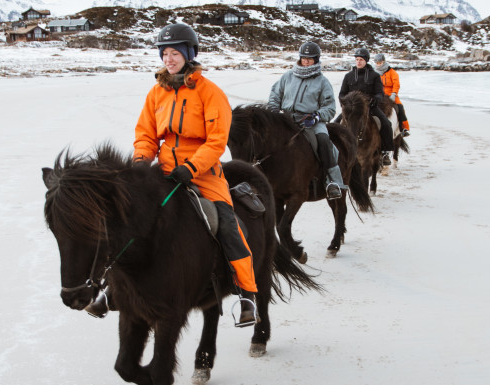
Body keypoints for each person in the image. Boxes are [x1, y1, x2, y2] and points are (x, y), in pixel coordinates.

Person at [86, 23, 259, 327]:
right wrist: (141, 161)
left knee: (227, 224)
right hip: (165, 169)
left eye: (175, 52)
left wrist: (192, 167)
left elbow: (217, 140)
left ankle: (247, 294)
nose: (169, 58)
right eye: (164, 53)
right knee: (131, 220)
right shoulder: (157, 93)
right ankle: (112, 288)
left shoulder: (210, 92)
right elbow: (146, 134)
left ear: (189, 54)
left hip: (203, 172)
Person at [267, 41, 346, 200]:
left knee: (323, 140)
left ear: (316, 59)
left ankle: (333, 181)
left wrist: (317, 116)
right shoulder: (288, 76)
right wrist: (274, 111)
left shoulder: (322, 82)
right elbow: (275, 95)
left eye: (310, 59)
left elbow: (330, 108)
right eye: (304, 58)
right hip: (287, 119)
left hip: (311, 121)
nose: (306, 61)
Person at [338, 48, 395, 166]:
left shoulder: (374, 76)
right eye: (357, 59)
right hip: (351, 110)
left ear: (366, 61)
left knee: (386, 124)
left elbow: (379, 93)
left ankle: (385, 152)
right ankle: (336, 149)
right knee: (335, 123)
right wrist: (345, 104)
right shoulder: (348, 76)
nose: (358, 62)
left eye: (361, 60)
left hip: (370, 108)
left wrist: (375, 100)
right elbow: (342, 93)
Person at [373, 53, 410, 137]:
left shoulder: (392, 72)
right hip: (379, 95)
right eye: (377, 63)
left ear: (384, 62)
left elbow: (396, 84)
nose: (379, 64)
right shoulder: (375, 73)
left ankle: (403, 128)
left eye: (380, 63)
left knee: (400, 108)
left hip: (391, 95)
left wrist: (393, 94)